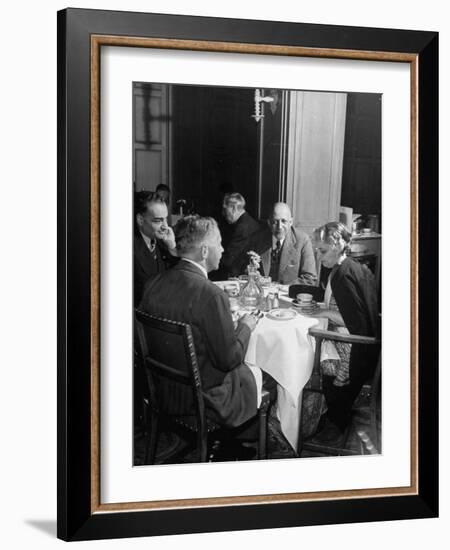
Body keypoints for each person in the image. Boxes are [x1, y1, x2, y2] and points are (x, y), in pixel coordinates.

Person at [138, 215, 262, 429]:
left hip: (161, 390)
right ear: (204, 251)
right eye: (219, 243)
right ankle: (247, 440)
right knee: (262, 372)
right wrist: (245, 326)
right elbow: (229, 360)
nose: (223, 250)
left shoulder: (153, 283)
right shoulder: (212, 295)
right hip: (201, 400)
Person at [310, 221, 379, 443]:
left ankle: (335, 418)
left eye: (322, 250)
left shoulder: (341, 276)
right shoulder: (354, 266)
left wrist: (325, 315)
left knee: (310, 353)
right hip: (372, 347)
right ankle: (332, 415)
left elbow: (355, 325)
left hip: (359, 354)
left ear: (338, 245)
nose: (319, 256)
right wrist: (324, 310)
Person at [251, 202, 317, 285]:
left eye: (284, 221)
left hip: (287, 295)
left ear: (291, 222)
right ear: (269, 222)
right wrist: (253, 273)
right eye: (275, 221)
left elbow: (309, 278)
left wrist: (281, 288)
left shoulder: (303, 240)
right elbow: (247, 270)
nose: (279, 226)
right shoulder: (258, 238)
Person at [134, 191, 177, 306]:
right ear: (140, 220)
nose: (165, 226)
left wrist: (172, 246)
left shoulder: (163, 241)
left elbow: (179, 277)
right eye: (158, 221)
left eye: (166, 219)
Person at [212, 192, 261, 279]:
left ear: (234, 208)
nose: (223, 213)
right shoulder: (245, 222)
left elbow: (228, 259)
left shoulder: (243, 228)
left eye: (224, 209)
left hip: (239, 275)